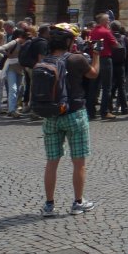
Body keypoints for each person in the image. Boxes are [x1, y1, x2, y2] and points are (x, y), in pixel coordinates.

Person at [40, 25, 100, 217]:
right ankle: (78, 202)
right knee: (79, 161)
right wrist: (97, 55)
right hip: (74, 112)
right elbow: (93, 74)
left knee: (52, 161)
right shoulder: (76, 59)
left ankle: (49, 205)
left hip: (51, 115)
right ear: (69, 41)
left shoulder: (45, 60)